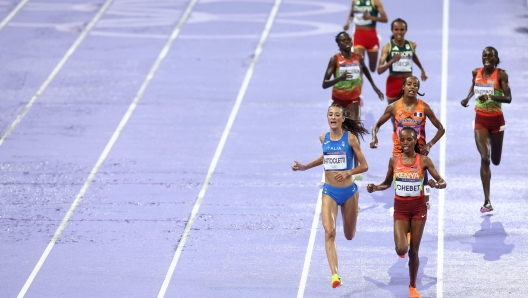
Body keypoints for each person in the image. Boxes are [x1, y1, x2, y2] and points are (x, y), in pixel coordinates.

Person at [292, 104, 369, 288]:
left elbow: (364, 166)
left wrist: (349, 172)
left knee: (349, 236)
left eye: (337, 115)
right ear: (327, 118)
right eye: (330, 114)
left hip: (349, 193)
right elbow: (326, 157)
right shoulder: (323, 138)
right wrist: (305, 166)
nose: (333, 117)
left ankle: (354, 209)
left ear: (343, 119)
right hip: (329, 192)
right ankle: (335, 275)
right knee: (329, 232)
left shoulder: (350, 139)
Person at [367, 127, 446, 298]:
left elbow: (443, 182)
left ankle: (412, 286)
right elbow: (386, 183)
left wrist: (435, 184)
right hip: (401, 209)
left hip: (418, 209)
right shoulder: (393, 160)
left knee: (414, 251)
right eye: (402, 140)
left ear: (415, 140)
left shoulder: (424, 161)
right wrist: (375, 188)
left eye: (409, 140)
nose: (405, 143)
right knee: (401, 249)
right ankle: (405, 235)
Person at [370, 76, 445, 206]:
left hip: (419, 150)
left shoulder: (424, 108)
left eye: (415, 85)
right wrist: (374, 137)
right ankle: (402, 206)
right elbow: (376, 125)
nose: (412, 87)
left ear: (418, 89)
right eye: (409, 84)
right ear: (403, 87)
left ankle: (424, 204)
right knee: (402, 181)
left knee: (422, 182)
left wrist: (429, 144)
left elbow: (441, 129)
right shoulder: (394, 107)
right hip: (400, 150)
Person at [460, 46, 512, 213]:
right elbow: (473, 87)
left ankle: (488, 196)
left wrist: (490, 96)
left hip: (497, 121)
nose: (487, 57)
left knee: (495, 160)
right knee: (485, 157)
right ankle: (487, 200)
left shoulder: (501, 75)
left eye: (490, 56)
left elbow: (508, 98)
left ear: (496, 59)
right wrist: (467, 98)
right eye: (484, 55)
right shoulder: (476, 72)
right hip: (480, 120)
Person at [323, 31, 384, 122]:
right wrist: (340, 78)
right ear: (339, 45)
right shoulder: (335, 59)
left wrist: (374, 86)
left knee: (353, 129)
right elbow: (325, 84)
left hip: (354, 99)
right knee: (339, 132)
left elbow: (366, 71)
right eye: (343, 40)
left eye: (349, 40)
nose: (347, 42)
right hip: (338, 100)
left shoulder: (359, 58)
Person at [377, 18, 427, 125]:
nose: (399, 32)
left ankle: (409, 132)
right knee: (393, 113)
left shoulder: (412, 45)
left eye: (401, 29)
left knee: (409, 111)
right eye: (396, 29)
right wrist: (392, 61)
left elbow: (414, 57)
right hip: (393, 82)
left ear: (406, 30)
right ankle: (396, 130)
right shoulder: (387, 47)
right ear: (392, 31)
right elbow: (379, 70)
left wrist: (422, 70)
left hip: (408, 83)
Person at [343, 0, 388, 72]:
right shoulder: (355, 1)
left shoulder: (375, 2)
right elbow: (352, 14)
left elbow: (385, 19)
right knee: (359, 64)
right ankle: (359, 81)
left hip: (371, 36)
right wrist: (348, 23)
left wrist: (370, 17)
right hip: (358, 36)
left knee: (372, 68)